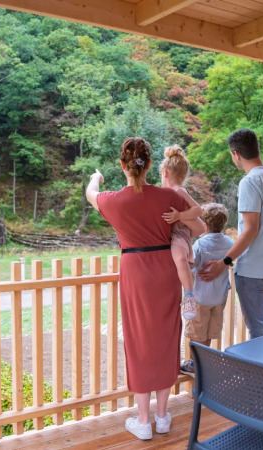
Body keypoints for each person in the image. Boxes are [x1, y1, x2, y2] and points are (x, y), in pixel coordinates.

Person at [85, 137, 203, 440]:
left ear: (122, 165)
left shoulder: (114, 200)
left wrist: (95, 178)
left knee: (138, 341)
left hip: (135, 271)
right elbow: (198, 221)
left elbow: (90, 194)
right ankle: (162, 416)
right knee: (166, 338)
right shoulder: (169, 196)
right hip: (165, 270)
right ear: (150, 164)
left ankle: (143, 420)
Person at [199, 129, 263, 339]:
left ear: (236, 154)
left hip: (254, 270)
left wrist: (225, 261)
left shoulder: (250, 181)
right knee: (261, 324)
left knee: (258, 329)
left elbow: (251, 229)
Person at [180, 203, 233, 374]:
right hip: (219, 298)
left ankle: (195, 364)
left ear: (205, 224)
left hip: (200, 297)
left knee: (197, 333)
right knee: (209, 332)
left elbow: (190, 263)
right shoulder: (229, 242)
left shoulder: (200, 245)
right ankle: (204, 362)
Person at [159, 145, 204, 320]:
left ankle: (189, 296)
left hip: (179, 234)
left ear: (165, 173)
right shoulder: (164, 192)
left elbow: (198, 210)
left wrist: (179, 216)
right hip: (171, 234)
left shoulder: (178, 190)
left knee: (179, 258)